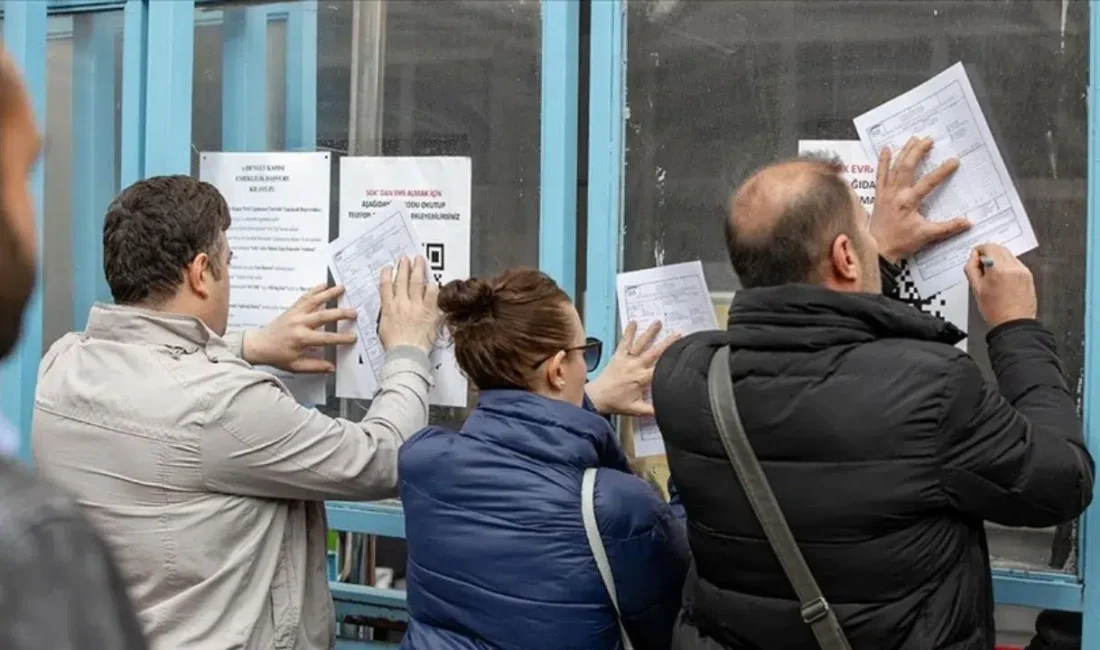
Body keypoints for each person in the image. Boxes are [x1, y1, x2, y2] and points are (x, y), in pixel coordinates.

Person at [652, 139, 1095, 650]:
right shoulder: (935, 387)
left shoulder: (686, 377)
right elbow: (1062, 481)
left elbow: (807, 358)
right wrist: (1016, 327)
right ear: (843, 256)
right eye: (863, 228)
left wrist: (872, 257)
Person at [32, 174, 441, 649]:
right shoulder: (222, 404)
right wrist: (409, 350)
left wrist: (251, 344)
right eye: (229, 260)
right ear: (201, 272)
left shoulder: (60, 364)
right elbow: (383, 458)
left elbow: (153, 360)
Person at [398, 268, 690, 650]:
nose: (587, 367)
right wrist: (688, 449)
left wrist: (588, 403)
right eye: (586, 353)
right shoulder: (618, 506)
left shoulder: (422, 461)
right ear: (557, 370)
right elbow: (678, 613)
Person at [0, 48, 148, 648]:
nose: (30, 218)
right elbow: (372, 462)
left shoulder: (63, 362)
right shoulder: (33, 548)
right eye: (22, 174)